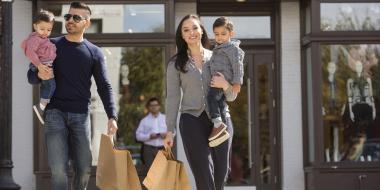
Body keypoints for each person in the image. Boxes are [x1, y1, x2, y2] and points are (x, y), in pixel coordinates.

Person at [27, 2, 118, 190]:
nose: (70, 20)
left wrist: (112, 116)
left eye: (76, 17)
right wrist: (38, 74)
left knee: (84, 168)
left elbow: (104, 86)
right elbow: (31, 76)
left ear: (87, 22)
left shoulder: (94, 52)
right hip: (54, 113)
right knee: (59, 169)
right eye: (68, 16)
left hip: (81, 115)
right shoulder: (50, 44)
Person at [163, 14, 237, 190]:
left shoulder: (218, 57)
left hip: (220, 120)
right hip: (192, 120)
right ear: (182, 36)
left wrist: (226, 85)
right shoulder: (175, 64)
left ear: (202, 30)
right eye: (186, 30)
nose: (191, 32)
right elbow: (173, 97)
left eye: (195, 28)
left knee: (221, 172)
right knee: (203, 171)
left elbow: (232, 96)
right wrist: (169, 130)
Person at [207, 16, 244, 147]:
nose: (220, 37)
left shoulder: (232, 49)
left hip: (222, 79)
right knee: (221, 103)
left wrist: (237, 83)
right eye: (217, 34)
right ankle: (222, 129)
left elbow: (237, 66)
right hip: (219, 79)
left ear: (231, 34)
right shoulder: (218, 48)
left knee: (211, 98)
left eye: (223, 34)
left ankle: (217, 123)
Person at [21, 9, 56, 125]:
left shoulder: (43, 39)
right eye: (42, 29)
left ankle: (43, 106)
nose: (45, 32)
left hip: (45, 65)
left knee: (49, 85)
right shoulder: (35, 39)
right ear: (35, 26)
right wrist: (39, 66)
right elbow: (30, 53)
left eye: (49, 29)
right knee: (50, 85)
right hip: (41, 65)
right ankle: (41, 106)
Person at [135, 97, 167, 170]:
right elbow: (138, 136)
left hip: (163, 148)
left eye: (155, 105)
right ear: (149, 107)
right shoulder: (144, 120)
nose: (154, 107)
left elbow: (173, 132)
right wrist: (149, 136)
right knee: (150, 172)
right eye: (152, 105)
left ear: (159, 106)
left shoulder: (165, 118)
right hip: (149, 150)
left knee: (163, 172)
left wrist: (166, 135)